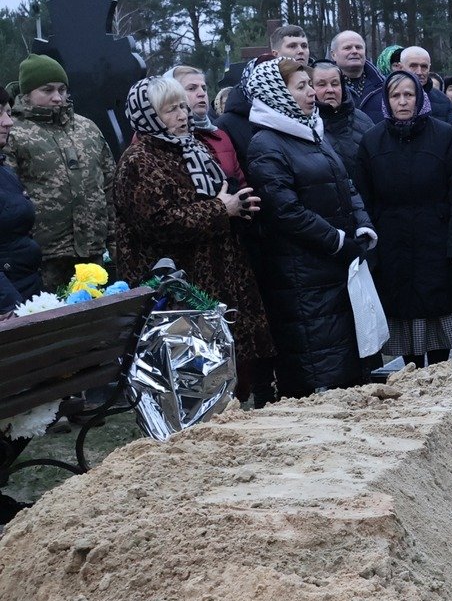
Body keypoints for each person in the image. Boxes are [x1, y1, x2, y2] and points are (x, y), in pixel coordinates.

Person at [111, 75, 273, 369]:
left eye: (182, 107)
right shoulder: (139, 160)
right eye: (171, 110)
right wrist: (221, 209)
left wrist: (240, 206)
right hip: (178, 288)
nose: (182, 115)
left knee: (233, 365)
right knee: (194, 374)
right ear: (148, 115)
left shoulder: (194, 148)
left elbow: (219, 196)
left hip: (221, 274)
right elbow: (160, 223)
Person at [242, 59, 376, 397]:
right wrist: (336, 240)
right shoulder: (267, 143)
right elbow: (285, 211)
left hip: (333, 270)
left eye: (308, 85)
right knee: (318, 371)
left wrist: (362, 226)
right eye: (301, 87)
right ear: (277, 93)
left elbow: (345, 183)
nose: (312, 93)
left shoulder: (311, 131)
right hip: (302, 276)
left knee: (346, 368)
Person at [355, 70, 452, 369]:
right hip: (393, 246)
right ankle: (410, 376)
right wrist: (371, 248)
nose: (402, 101)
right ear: (386, 101)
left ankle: (439, 376)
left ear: (419, 97)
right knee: (405, 322)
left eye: (408, 94)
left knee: (438, 320)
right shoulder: (372, 141)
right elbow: (363, 198)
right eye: (395, 95)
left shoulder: (444, 136)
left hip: (438, 243)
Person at [7, 56, 113, 295]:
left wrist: (113, 244)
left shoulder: (87, 128)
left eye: (62, 90)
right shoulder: (14, 133)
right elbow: (9, 197)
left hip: (92, 253)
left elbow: (109, 185)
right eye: (47, 90)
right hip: (43, 257)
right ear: (27, 94)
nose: (57, 97)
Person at [0, 103, 42, 311]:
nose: (8, 122)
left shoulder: (5, 171)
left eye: (8, 113)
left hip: (25, 290)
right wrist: (8, 304)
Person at [309, 59, 374, 185]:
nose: (330, 90)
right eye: (321, 85)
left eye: (335, 84)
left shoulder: (363, 120)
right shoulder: (305, 125)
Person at [358, 47, 452, 124]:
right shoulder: (378, 100)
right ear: (400, 67)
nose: (419, 72)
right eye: (413, 66)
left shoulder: (442, 100)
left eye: (424, 67)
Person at [330, 30, 379, 107]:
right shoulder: (325, 88)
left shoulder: (382, 86)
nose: (354, 51)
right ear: (333, 55)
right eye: (347, 48)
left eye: (358, 47)